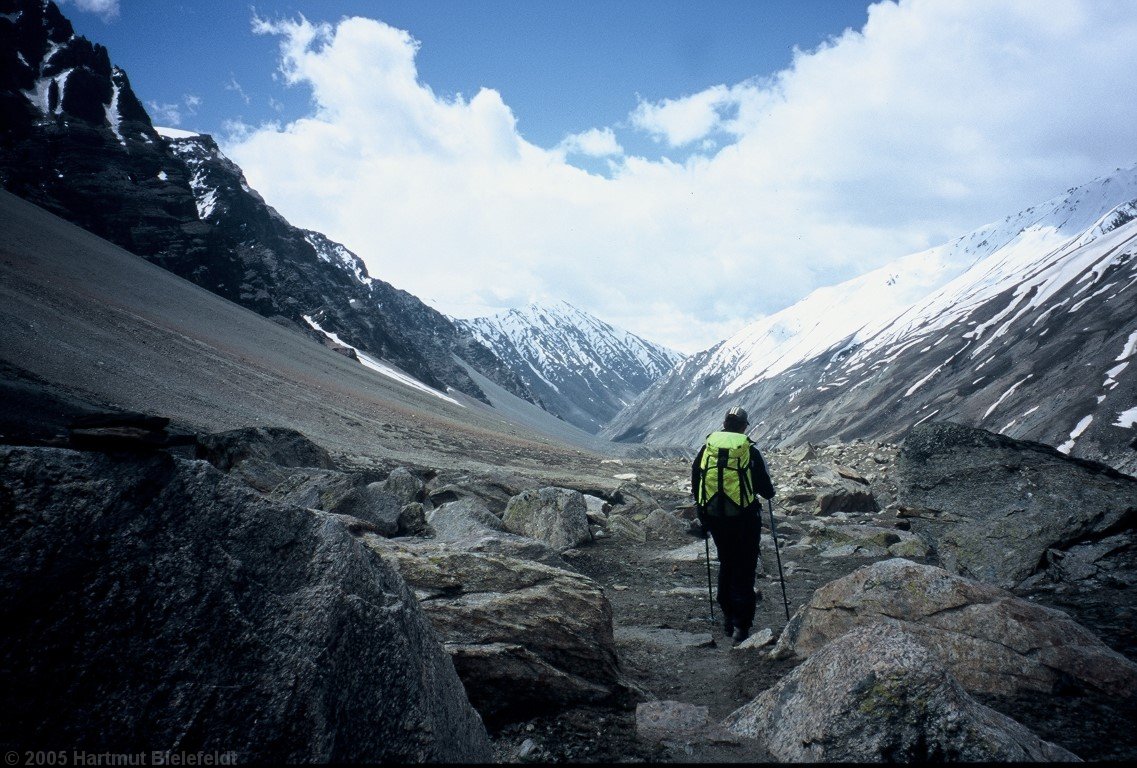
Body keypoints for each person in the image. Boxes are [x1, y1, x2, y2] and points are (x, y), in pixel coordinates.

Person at [690, 406, 775, 644]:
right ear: (744, 426)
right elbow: (767, 491)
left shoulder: (708, 448)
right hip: (745, 519)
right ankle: (741, 626)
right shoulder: (749, 450)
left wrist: (702, 511)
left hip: (715, 517)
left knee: (726, 563)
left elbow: (696, 477)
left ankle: (728, 617)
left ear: (724, 424)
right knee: (745, 568)